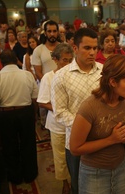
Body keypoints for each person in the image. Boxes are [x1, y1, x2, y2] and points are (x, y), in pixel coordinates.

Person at [70, 54, 125, 193]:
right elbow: (75, 148)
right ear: (113, 82)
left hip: (121, 166)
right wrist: (111, 139)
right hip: (94, 172)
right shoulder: (90, 107)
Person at [51, 28, 102, 194]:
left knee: (101, 183)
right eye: (87, 48)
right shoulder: (62, 76)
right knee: (79, 185)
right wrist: (84, 126)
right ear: (75, 48)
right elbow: (59, 112)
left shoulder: (104, 71)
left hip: (102, 138)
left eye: (95, 48)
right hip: (76, 140)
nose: (92, 52)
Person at [0, 49, 38, 185]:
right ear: (15, 59)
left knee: (9, 145)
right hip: (25, 111)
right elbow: (35, 96)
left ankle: (15, 176)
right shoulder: (27, 75)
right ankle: (30, 174)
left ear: (1, 61)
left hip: (6, 113)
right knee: (28, 143)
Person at [37, 43, 73, 194]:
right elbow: (43, 101)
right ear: (55, 60)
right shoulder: (48, 77)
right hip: (57, 124)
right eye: (65, 60)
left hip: (74, 123)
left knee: (76, 154)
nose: (68, 64)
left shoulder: (74, 75)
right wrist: (61, 110)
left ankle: (77, 181)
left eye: (71, 60)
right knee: (60, 157)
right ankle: (65, 183)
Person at [31, 20, 59, 129]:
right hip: (46, 86)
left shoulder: (63, 48)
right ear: (45, 33)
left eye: (54, 31)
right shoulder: (39, 50)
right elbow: (38, 71)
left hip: (63, 85)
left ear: (58, 32)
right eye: (49, 31)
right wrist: (49, 84)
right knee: (49, 114)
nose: (52, 34)